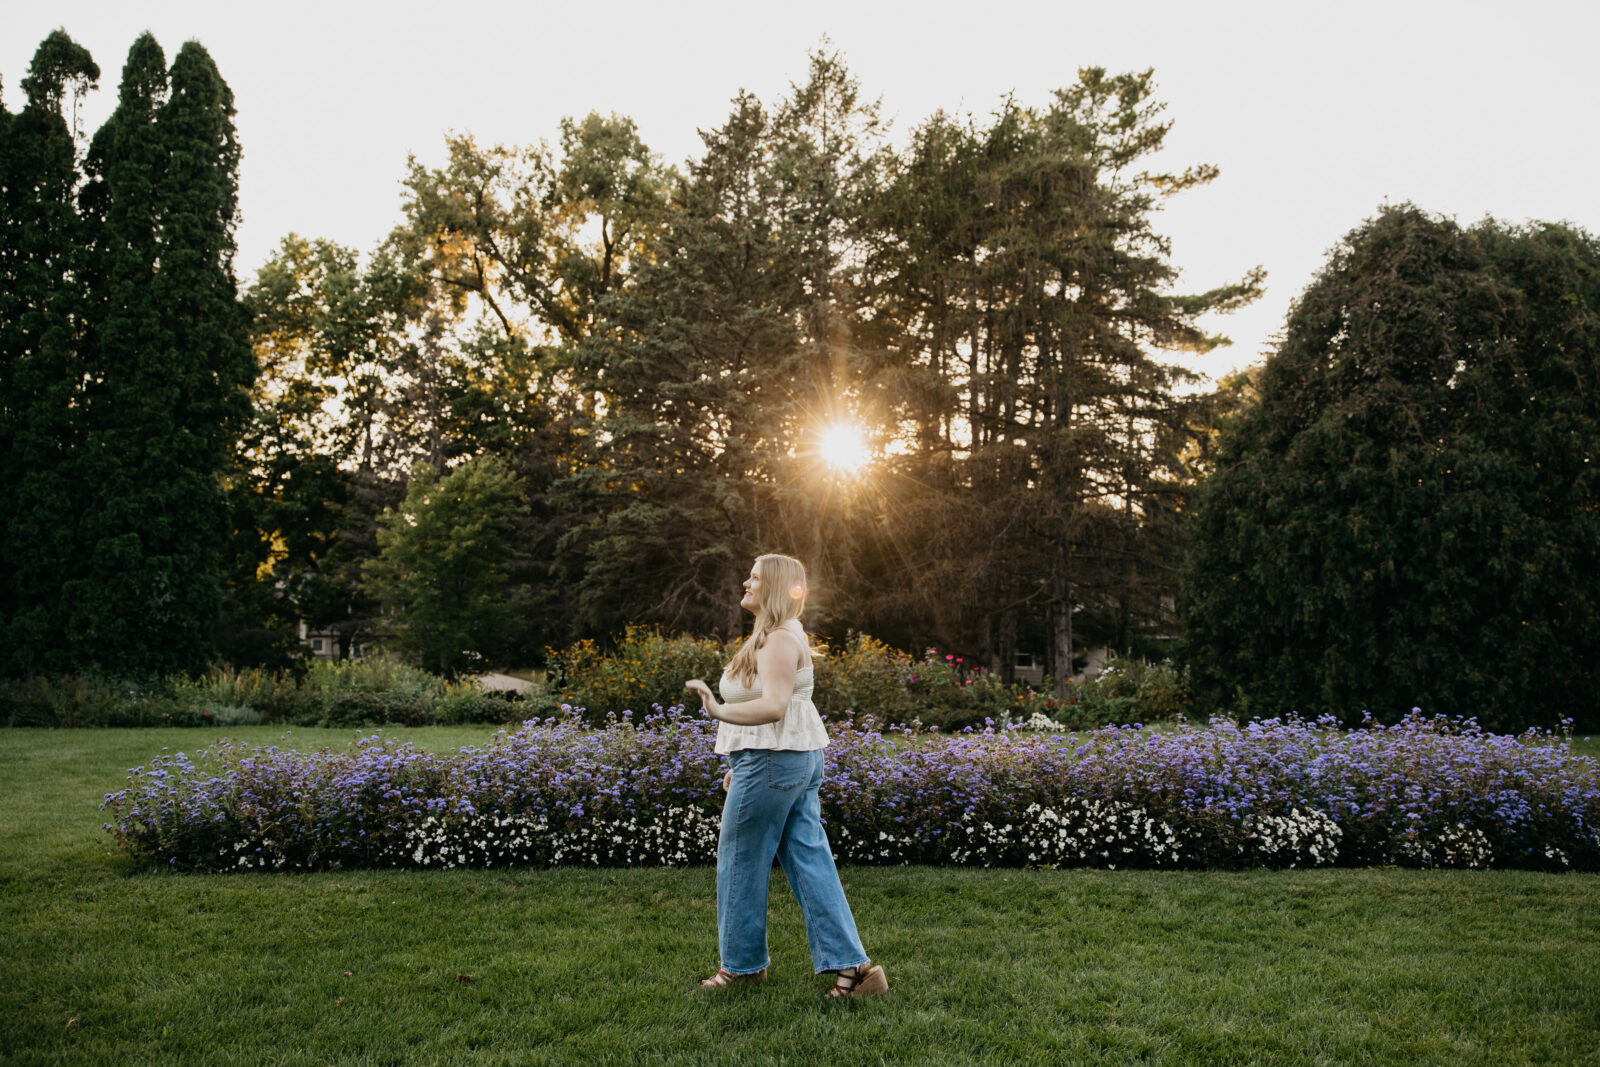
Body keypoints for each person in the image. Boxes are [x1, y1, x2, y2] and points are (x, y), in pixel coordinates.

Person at [685, 553, 888, 999]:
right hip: (784, 760)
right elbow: (780, 711)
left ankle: (740, 967)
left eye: (755, 577)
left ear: (774, 587)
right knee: (807, 857)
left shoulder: (778, 638)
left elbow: (776, 705)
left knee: (740, 856)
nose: (746, 581)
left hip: (774, 762)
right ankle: (853, 967)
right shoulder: (777, 634)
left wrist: (718, 710)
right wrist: (741, 763)